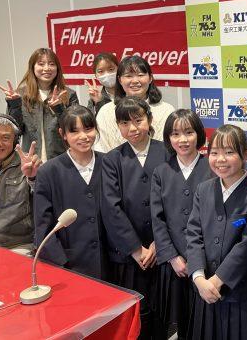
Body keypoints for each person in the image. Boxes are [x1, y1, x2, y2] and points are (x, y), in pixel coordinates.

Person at [186, 124, 247, 340]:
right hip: (205, 292)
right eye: (214, 153)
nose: (220, 159)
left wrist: (215, 282)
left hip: (242, 296)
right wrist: (199, 278)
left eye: (229, 152)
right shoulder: (203, 190)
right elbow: (194, 235)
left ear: (245, 155)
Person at [101, 96, 169, 339]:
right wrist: (136, 249)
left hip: (164, 249)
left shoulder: (168, 152)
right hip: (129, 254)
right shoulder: (112, 159)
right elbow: (111, 207)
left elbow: (176, 203)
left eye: (138, 120)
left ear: (149, 119)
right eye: (125, 123)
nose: (132, 128)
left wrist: (159, 243)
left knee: (163, 312)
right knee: (136, 314)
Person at [150, 109, 212, 340]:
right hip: (175, 264)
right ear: (168, 138)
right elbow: (158, 219)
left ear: (199, 134)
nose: (183, 140)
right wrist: (172, 257)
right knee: (181, 321)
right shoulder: (161, 172)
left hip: (207, 262)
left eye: (188, 132)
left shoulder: (213, 168)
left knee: (206, 321)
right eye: (175, 134)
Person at [33, 105, 108, 280]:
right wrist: (61, 263)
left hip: (111, 262)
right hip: (70, 263)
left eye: (88, 129)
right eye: (74, 131)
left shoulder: (109, 163)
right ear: (63, 134)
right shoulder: (48, 171)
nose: (83, 136)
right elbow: (43, 226)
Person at [0, 48, 79, 161]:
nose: (47, 68)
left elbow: (74, 129)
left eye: (51, 64)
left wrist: (59, 109)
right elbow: (14, 131)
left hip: (62, 160)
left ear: (57, 68)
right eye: (41, 64)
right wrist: (14, 104)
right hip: (31, 160)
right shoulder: (20, 95)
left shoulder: (68, 94)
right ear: (33, 67)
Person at [0, 113, 41, 253]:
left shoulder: (29, 166)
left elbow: (45, 201)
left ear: (15, 141)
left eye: (5, 138)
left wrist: (34, 178)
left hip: (18, 246)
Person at [95, 55, 175, 152]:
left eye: (140, 75)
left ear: (150, 78)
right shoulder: (105, 112)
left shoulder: (167, 110)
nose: (135, 81)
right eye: (128, 76)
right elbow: (102, 149)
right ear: (119, 80)